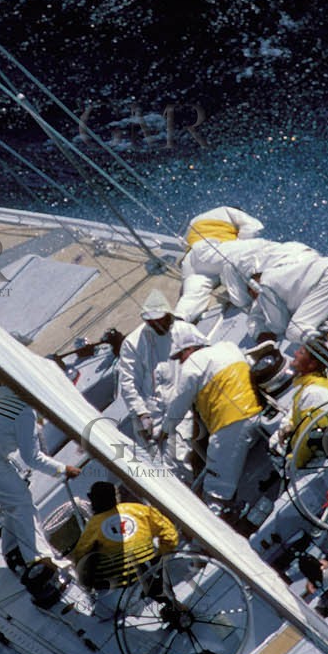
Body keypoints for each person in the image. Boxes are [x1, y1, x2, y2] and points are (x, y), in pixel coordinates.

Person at [0, 384, 81, 575]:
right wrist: (63, 469)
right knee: (21, 501)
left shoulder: (1, 392)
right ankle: (38, 556)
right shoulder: (25, 413)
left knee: (13, 497)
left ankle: (13, 548)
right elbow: (32, 458)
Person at [154, 327, 264, 509]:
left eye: (179, 357)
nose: (180, 363)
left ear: (189, 349)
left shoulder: (192, 365)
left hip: (230, 424)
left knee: (215, 489)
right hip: (256, 411)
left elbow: (178, 406)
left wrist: (164, 431)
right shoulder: (229, 347)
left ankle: (215, 525)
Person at [117, 290, 204, 449]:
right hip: (155, 412)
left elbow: (207, 354)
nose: (157, 325)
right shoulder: (133, 342)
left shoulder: (184, 330)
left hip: (189, 400)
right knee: (169, 459)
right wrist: (141, 413)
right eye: (152, 322)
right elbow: (128, 383)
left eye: (161, 320)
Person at [246, 250, 328, 348]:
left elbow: (280, 326)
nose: (257, 301)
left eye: (254, 296)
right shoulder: (284, 268)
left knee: (295, 330)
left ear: (254, 286)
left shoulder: (264, 285)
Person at [70, 481, 180, 590]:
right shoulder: (139, 510)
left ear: (93, 500)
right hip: (153, 572)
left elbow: (80, 557)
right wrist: (161, 556)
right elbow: (169, 533)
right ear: (117, 496)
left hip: (120, 586)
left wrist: (88, 582)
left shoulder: (92, 527)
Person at [174, 207, 267, 321]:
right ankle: (246, 302)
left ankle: (180, 318)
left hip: (190, 260)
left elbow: (184, 244)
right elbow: (253, 227)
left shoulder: (194, 221)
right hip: (211, 250)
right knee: (256, 248)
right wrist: (238, 244)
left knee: (194, 292)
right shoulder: (228, 210)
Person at [280, 344, 328, 468]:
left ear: (312, 364)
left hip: (322, 457)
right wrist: (290, 426)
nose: (295, 353)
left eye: (301, 353)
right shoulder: (317, 383)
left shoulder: (313, 394)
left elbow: (308, 439)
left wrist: (294, 462)